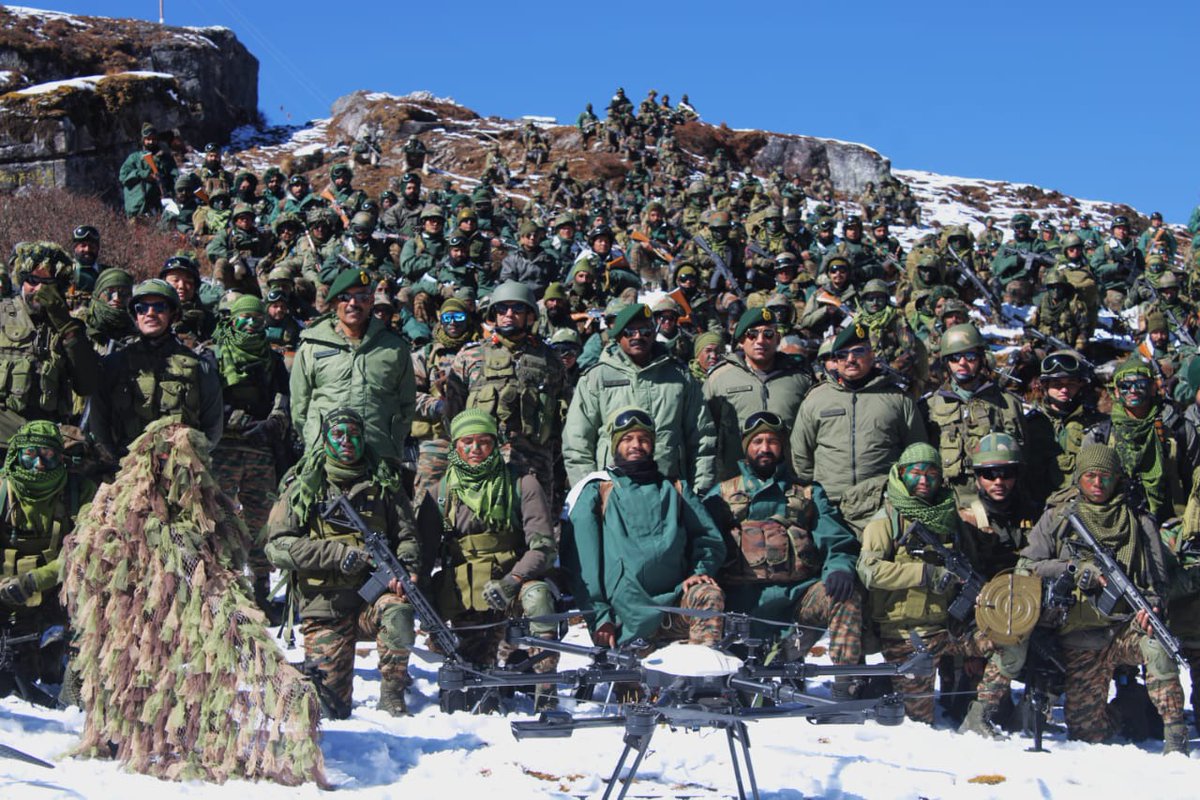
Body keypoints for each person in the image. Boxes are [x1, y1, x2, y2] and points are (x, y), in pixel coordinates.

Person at [1017, 444, 1188, 753]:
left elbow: (1159, 580)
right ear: (1079, 478)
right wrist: (1072, 569)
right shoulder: (1058, 517)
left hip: (1125, 628)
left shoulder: (1138, 520)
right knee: (1086, 732)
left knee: (1158, 646)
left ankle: (1176, 735)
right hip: (1080, 634)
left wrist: (1154, 604)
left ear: (1117, 480)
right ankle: (1128, 707)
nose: (1098, 484)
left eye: (1106, 477)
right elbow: (1026, 567)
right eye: (1091, 476)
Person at [265, 408, 420, 718]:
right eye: (338, 435)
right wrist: (336, 555)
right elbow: (277, 547)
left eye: (354, 435)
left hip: (371, 602)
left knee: (399, 612)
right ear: (325, 440)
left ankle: (392, 694)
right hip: (326, 606)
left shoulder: (384, 483)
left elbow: (408, 536)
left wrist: (407, 569)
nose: (347, 441)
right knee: (331, 710)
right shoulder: (304, 485)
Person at [703, 412, 861, 691]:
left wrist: (839, 568)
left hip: (797, 603)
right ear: (746, 447)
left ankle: (844, 690)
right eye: (758, 442)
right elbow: (703, 542)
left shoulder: (809, 494)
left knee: (844, 596)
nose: (765, 448)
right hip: (740, 611)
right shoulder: (721, 495)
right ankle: (712, 680)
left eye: (773, 442)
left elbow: (836, 539)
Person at [416, 410, 560, 709]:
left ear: (496, 444)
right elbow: (423, 559)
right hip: (466, 596)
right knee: (473, 689)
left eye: (483, 441)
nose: (475, 449)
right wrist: (431, 619)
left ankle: (546, 691)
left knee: (538, 597)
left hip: (513, 585)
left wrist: (513, 581)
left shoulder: (523, 485)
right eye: (466, 442)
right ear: (455, 446)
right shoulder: (439, 494)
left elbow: (543, 547)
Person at [857, 443, 1000, 724]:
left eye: (932, 474)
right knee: (917, 720)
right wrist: (925, 574)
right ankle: (886, 682)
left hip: (948, 628)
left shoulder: (949, 517)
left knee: (1007, 642)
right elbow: (869, 571)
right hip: (907, 633)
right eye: (916, 473)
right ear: (901, 474)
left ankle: (980, 712)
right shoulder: (887, 520)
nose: (924, 481)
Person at [563, 407, 726, 648]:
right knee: (631, 685)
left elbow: (709, 538)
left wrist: (700, 570)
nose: (636, 445)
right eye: (627, 439)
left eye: (643, 439)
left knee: (708, 596)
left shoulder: (676, 489)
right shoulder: (598, 491)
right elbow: (582, 563)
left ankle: (701, 679)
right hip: (621, 616)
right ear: (615, 445)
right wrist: (599, 616)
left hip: (674, 604)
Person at [563, 302, 717, 494]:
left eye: (645, 331)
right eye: (629, 332)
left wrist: (698, 491)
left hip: (670, 492)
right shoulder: (596, 379)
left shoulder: (679, 377)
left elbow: (702, 438)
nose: (638, 337)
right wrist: (591, 494)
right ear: (618, 336)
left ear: (654, 333)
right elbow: (577, 444)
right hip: (612, 494)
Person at [0, 421, 96, 698]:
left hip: (57, 596)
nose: (39, 464)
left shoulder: (80, 493)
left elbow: (85, 552)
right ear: (16, 454)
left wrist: (34, 580)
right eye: (30, 454)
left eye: (48, 455)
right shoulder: (4, 492)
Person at [209, 295, 291, 615]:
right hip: (224, 450)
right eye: (243, 319)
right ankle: (221, 593)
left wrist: (273, 423)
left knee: (261, 524)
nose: (250, 325)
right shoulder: (216, 356)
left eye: (256, 320)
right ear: (232, 321)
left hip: (260, 451)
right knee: (221, 523)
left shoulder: (273, 360)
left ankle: (261, 592)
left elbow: (283, 400)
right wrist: (231, 418)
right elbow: (208, 399)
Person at [444, 281, 566, 497]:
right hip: (481, 460)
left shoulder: (550, 359)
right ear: (494, 314)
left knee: (536, 524)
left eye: (517, 308)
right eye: (502, 309)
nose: (509, 314)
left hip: (535, 463)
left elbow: (563, 411)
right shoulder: (470, 356)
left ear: (530, 315)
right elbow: (453, 411)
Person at [85, 279, 222, 460]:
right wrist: (118, 461)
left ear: (173, 315)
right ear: (136, 315)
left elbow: (212, 427)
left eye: (159, 307)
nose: (150, 313)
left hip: (181, 469)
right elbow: (99, 423)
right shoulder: (114, 364)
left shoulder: (199, 367)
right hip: (126, 468)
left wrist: (188, 459)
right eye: (142, 308)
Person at [791, 323, 927, 503]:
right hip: (830, 503)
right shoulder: (816, 399)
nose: (850, 360)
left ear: (872, 355)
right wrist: (816, 488)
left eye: (858, 352)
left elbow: (917, 451)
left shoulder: (898, 399)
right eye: (842, 355)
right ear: (836, 361)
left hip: (884, 501)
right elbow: (801, 454)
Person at [290, 268, 416, 463]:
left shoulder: (394, 348)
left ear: (371, 302)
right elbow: (300, 406)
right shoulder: (312, 346)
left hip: (378, 455)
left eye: (362, 297)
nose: (353, 303)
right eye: (345, 297)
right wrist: (314, 437)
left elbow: (406, 405)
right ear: (333, 303)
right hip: (325, 455)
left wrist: (391, 440)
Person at [704, 307, 812, 481]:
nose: (760, 341)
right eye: (752, 334)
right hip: (735, 482)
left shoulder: (799, 379)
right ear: (741, 340)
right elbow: (705, 435)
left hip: (789, 481)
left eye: (768, 334)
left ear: (777, 339)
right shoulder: (719, 379)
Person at [922, 324, 1026, 502]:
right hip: (947, 502)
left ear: (982, 359)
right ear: (946, 362)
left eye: (969, 356)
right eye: (954, 358)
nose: (962, 363)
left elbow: (1023, 460)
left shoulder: (1007, 404)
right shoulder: (929, 406)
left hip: (996, 503)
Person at [0, 242, 99, 427]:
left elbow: (87, 384)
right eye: (33, 281)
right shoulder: (2, 314)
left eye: (48, 284)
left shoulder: (71, 328)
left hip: (46, 435)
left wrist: (65, 326)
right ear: (22, 280)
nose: (39, 289)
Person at [118, 122, 177, 217]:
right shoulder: (134, 158)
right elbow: (123, 177)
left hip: (160, 207)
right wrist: (144, 175)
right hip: (137, 208)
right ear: (143, 140)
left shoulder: (165, 159)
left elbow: (175, 177)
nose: (151, 142)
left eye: (153, 139)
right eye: (148, 139)